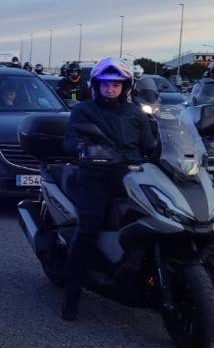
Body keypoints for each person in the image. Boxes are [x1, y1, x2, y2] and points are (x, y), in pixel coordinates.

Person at [60, 57, 159, 322]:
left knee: (157, 220)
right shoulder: (83, 111)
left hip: (133, 175)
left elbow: (150, 145)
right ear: (96, 85)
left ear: (126, 86)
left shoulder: (136, 112)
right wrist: (83, 148)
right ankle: (71, 298)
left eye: (116, 84)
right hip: (96, 175)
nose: (111, 89)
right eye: (106, 84)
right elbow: (70, 141)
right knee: (88, 229)